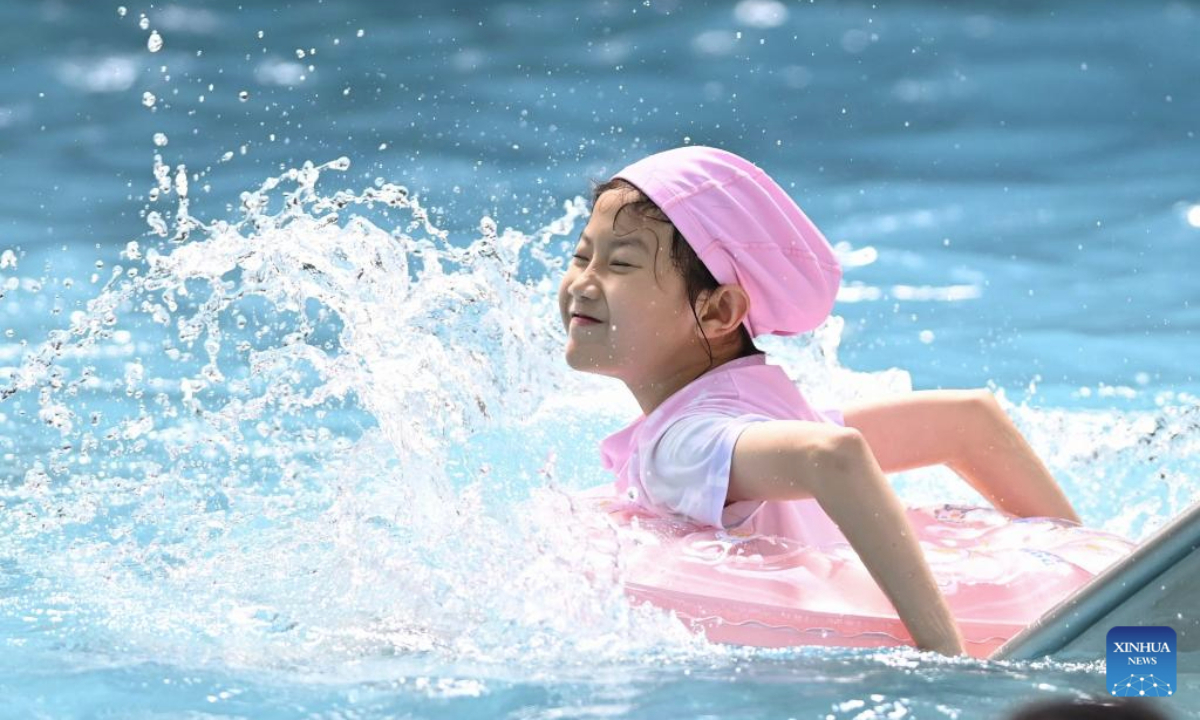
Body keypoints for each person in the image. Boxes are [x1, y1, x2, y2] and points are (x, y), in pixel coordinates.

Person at [557, 146, 1089, 657]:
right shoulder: (754, 397)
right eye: (583, 256)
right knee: (1145, 670)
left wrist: (942, 653)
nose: (582, 283)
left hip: (894, 653)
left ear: (720, 312)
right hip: (1082, 634)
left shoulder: (682, 445)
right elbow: (968, 421)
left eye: (620, 265)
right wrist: (1091, 573)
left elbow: (831, 456)